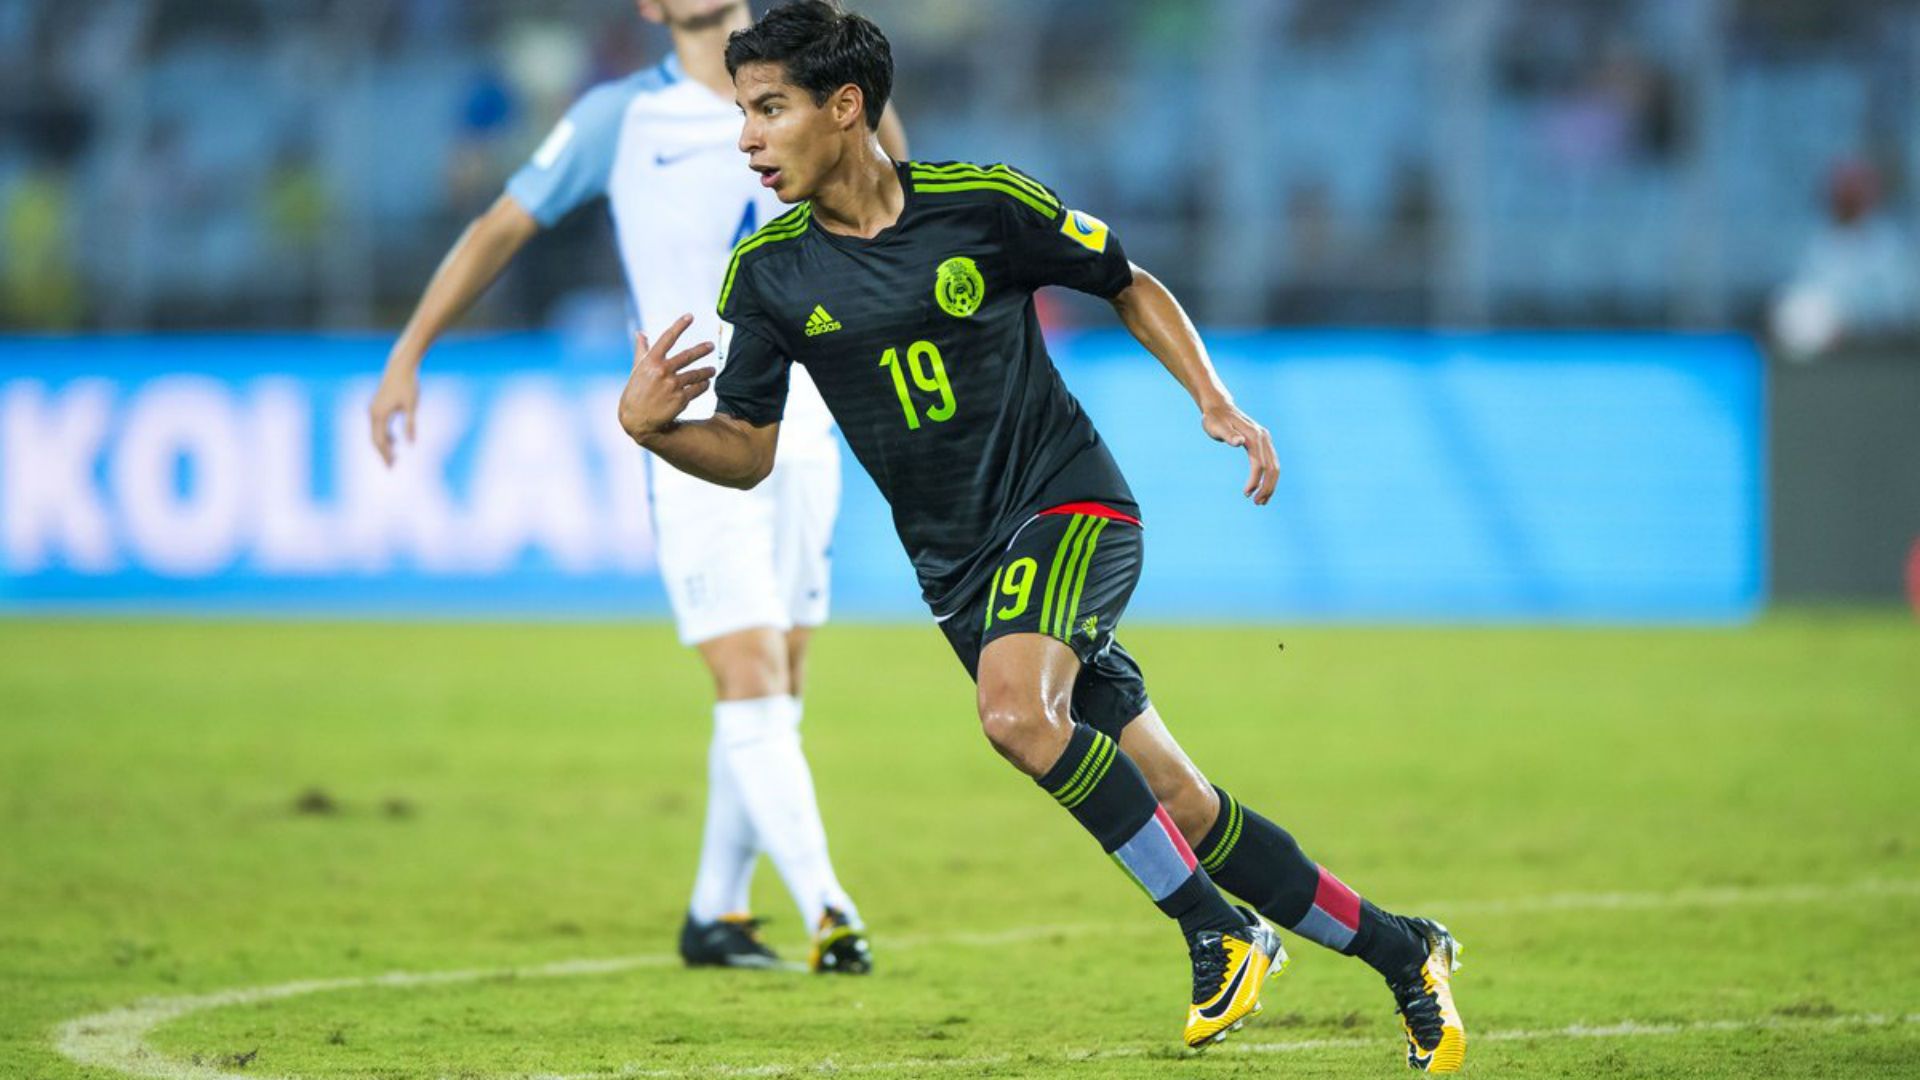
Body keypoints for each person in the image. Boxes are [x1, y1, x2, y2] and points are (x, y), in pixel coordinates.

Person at [617, 0, 1469, 1066]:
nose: (745, 136)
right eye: (742, 112)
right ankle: (1404, 952)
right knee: (1181, 802)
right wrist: (655, 431)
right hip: (959, 573)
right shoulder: (769, 271)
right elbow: (746, 450)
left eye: (768, 109)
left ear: (845, 108)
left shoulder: (982, 204)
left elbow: (1126, 280)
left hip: (1069, 506)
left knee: (1017, 714)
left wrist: (1213, 400)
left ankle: (1217, 934)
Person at [369, 0, 908, 975]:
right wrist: (409, 350)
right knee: (748, 673)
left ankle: (714, 913)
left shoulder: (810, 90)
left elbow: (894, 195)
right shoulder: (620, 117)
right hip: (699, 429)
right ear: (650, 8)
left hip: (811, 422)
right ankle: (832, 912)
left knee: (778, 683)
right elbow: (500, 226)